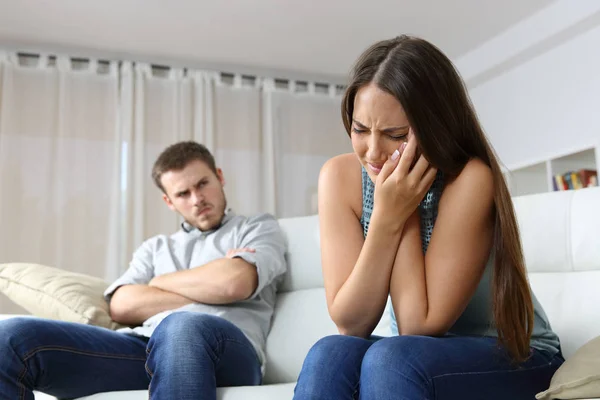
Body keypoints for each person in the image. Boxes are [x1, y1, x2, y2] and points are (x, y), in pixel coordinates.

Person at [293, 35, 563, 400]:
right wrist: (389, 213)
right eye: (359, 129)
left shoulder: (470, 178)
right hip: (415, 355)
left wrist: (397, 212)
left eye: (395, 134)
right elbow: (350, 322)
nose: (372, 151)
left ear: (433, 126)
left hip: (519, 355)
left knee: (392, 359)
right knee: (329, 353)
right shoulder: (338, 178)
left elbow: (417, 325)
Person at [0, 141, 287, 400]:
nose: (197, 199)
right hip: (143, 348)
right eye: (183, 193)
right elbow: (122, 305)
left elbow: (234, 284)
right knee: (10, 337)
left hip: (229, 351)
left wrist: (159, 282)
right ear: (169, 201)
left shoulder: (257, 227)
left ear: (220, 177)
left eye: (203, 184)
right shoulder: (156, 248)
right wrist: (210, 283)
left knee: (181, 325)